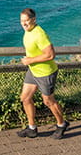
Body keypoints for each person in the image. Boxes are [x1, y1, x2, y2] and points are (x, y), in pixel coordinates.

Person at [16, 8, 70, 139]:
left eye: (26, 20)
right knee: (25, 98)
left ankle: (61, 124)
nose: (24, 23)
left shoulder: (39, 34)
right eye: (21, 20)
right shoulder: (28, 31)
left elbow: (50, 54)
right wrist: (31, 61)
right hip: (33, 70)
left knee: (48, 101)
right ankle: (32, 128)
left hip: (46, 72)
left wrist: (30, 60)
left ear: (33, 20)